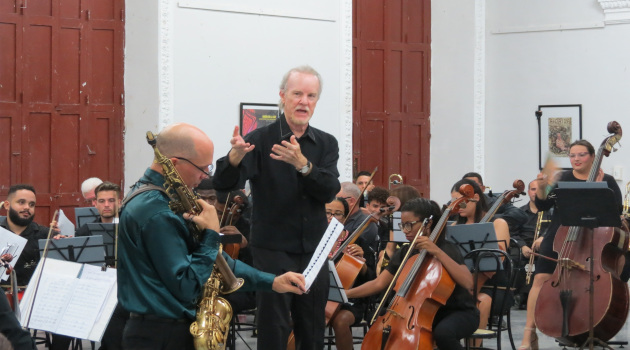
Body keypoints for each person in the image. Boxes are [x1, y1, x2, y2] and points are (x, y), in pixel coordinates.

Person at [117, 123, 306, 350]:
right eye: (203, 168)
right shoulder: (157, 212)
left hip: (162, 332)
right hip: (161, 336)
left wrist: (273, 282)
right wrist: (210, 235)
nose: (205, 176)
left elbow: (214, 262)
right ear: (174, 163)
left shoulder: (157, 196)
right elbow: (186, 285)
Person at [213, 65, 340, 350]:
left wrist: (304, 166)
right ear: (283, 96)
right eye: (297, 94)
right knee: (274, 326)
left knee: (312, 326)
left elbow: (329, 189)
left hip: (314, 251)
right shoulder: (259, 139)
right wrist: (233, 157)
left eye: (311, 95)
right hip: (272, 248)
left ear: (316, 101)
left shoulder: (326, 143)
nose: (304, 101)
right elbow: (224, 184)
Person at [518, 140, 622, 350]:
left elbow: (615, 214)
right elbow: (542, 205)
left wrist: (598, 189)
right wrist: (541, 187)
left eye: (581, 155)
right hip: (559, 237)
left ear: (593, 156)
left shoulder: (608, 180)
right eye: (572, 155)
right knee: (540, 279)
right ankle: (528, 336)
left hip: (591, 239)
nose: (576, 159)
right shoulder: (562, 179)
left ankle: (587, 328)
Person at [345, 198, 479, 350]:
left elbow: (468, 282)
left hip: (457, 312)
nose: (405, 231)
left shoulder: (446, 249)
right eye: (402, 225)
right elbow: (379, 283)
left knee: (444, 334)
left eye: (409, 225)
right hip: (419, 315)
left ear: (427, 223)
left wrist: (436, 251)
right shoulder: (406, 252)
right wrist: (346, 294)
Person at [0, 185, 68, 349]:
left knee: (65, 317)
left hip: (35, 296)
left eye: (31, 204)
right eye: (21, 202)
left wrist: (61, 244)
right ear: (7, 205)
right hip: (2, 297)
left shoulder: (45, 233)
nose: (27, 208)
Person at [450, 178, 510, 343]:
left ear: (475, 198)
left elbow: (494, 264)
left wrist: (471, 291)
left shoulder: (498, 223)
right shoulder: (454, 227)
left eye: (460, 200)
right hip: (464, 283)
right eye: (453, 201)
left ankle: (474, 346)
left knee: (481, 301)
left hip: (494, 286)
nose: (456, 205)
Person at [325, 196, 376, 350]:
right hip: (317, 296)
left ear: (345, 217)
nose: (332, 218)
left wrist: (362, 262)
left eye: (338, 213)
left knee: (340, 321)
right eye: (328, 213)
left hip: (350, 299)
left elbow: (372, 278)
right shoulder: (313, 240)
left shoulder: (356, 241)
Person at [511, 180, 552, 308]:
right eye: (533, 189)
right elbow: (512, 233)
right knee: (513, 258)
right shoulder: (519, 212)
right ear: (528, 192)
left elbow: (555, 229)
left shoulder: (552, 212)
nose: (536, 193)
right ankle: (517, 295)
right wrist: (522, 246)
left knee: (547, 258)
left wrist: (543, 238)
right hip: (523, 247)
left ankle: (537, 296)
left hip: (543, 246)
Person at [462, 172, 528, 233]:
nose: (469, 189)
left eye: (473, 185)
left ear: (483, 188)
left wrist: (491, 218)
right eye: (466, 186)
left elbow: (520, 215)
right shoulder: (458, 203)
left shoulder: (496, 201)